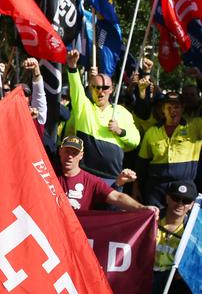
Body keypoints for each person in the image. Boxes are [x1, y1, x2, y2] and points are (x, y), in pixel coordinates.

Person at [65, 50, 140, 185]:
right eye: (97, 87)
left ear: (112, 90)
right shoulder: (84, 107)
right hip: (85, 174)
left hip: (112, 178)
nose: (101, 91)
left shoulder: (122, 112)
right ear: (91, 88)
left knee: (108, 207)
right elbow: (76, 89)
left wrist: (119, 131)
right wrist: (72, 68)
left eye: (105, 87)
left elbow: (135, 141)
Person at [58, 136, 158, 214]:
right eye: (67, 151)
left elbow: (117, 197)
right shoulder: (47, 174)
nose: (70, 156)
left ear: (81, 156)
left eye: (74, 153)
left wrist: (142, 208)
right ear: (60, 151)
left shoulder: (91, 181)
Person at [136, 92, 202, 208]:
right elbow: (141, 164)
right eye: (169, 107)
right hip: (156, 188)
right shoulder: (152, 131)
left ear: (183, 108)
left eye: (176, 107)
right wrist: (135, 187)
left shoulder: (195, 126)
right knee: (154, 220)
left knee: (182, 224)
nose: (173, 111)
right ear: (163, 109)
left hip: (184, 186)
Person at [152, 180, 197, 294]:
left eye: (186, 201)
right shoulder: (150, 219)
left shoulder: (193, 232)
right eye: (176, 198)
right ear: (167, 198)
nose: (180, 204)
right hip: (146, 274)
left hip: (174, 280)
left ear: (192, 205)